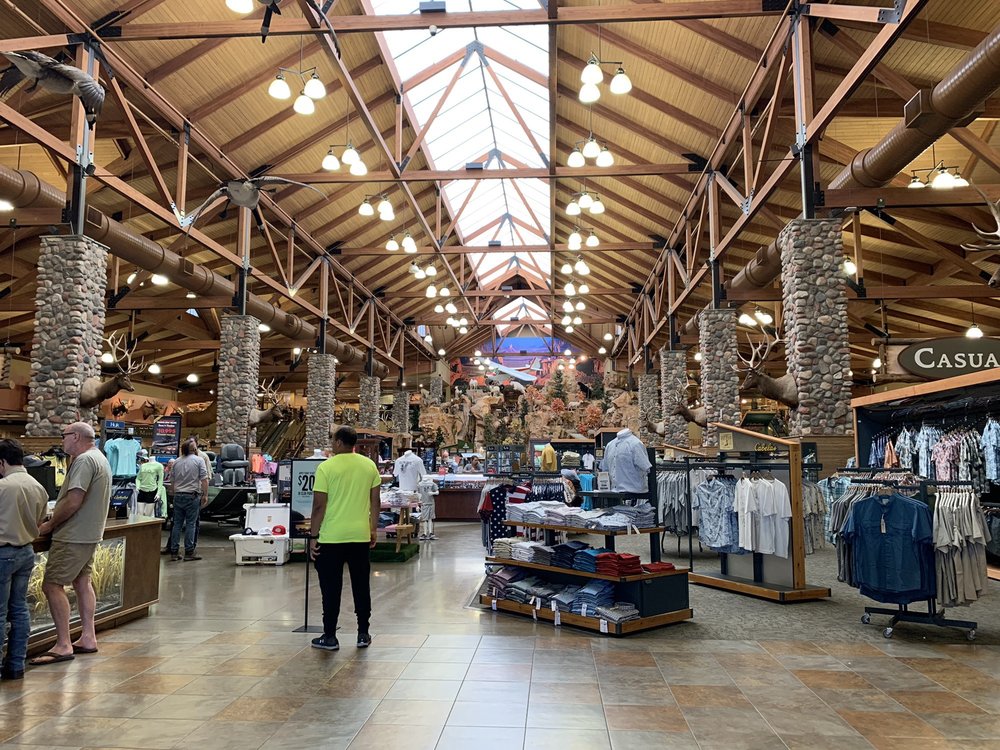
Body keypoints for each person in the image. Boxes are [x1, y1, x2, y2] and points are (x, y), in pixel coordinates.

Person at [30, 422, 112, 667]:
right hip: (88, 534)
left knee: (52, 585)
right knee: (82, 582)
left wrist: (49, 525)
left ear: (75, 436)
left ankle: (64, 644)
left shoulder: (84, 460)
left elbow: (74, 500)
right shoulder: (100, 458)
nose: (62, 440)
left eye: (63, 436)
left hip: (72, 535)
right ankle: (88, 636)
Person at [309, 426, 380, 651]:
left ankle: (330, 636)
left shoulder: (325, 467)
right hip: (359, 536)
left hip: (331, 537)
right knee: (361, 585)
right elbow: (375, 501)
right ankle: (363, 633)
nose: (332, 444)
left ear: (339, 442)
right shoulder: (369, 466)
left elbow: (319, 505)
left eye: (333, 440)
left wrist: (313, 535)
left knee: (330, 588)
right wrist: (373, 529)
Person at [0, 439, 48, 679]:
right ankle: (16, 664)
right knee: (19, 609)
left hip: (3, 554)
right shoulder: (38, 487)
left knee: (0, 613)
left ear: (1, 462)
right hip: (26, 552)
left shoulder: (3, 487)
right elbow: (40, 521)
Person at [165, 440, 208, 562]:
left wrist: (174, 493)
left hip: (178, 496)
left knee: (177, 524)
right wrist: (205, 495)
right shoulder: (199, 460)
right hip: (192, 496)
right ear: (194, 449)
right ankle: (189, 552)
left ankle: (174, 552)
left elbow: (172, 481)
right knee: (191, 524)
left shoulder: (176, 462)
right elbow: (204, 479)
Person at [135, 449, 164, 517]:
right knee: (139, 515)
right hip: (141, 491)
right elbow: (138, 478)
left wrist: (158, 493)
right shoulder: (143, 466)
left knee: (147, 515)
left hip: (152, 491)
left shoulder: (159, 466)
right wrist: (137, 487)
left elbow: (160, 480)